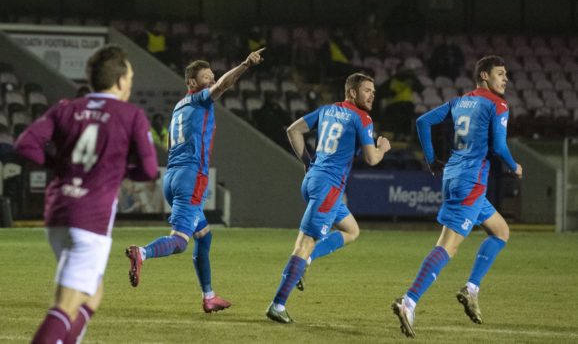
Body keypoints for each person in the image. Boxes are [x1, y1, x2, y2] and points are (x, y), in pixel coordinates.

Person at [14, 44, 158, 344]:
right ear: (120, 81)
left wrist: (62, 164)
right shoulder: (130, 115)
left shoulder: (68, 107)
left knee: (92, 294)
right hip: (89, 219)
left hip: (56, 214)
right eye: (129, 77)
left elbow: (25, 145)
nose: (130, 83)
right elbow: (148, 169)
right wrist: (115, 170)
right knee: (65, 305)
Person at [125, 48, 265, 313]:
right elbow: (226, 83)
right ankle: (141, 253)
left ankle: (209, 297)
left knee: (204, 235)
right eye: (206, 77)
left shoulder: (179, 107)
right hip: (191, 177)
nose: (212, 80)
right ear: (192, 83)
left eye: (212, 75)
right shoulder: (201, 99)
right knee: (180, 241)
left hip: (172, 176)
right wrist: (246, 64)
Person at [391, 55, 523, 338]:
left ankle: (471, 288)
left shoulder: (459, 102)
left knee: (500, 231)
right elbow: (499, 147)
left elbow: (423, 122)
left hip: (454, 175)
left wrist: (431, 159)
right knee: (448, 246)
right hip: (471, 182)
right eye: (500, 73)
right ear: (484, 76)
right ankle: (408, 301)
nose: (506, 78)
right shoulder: (497, 104)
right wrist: (515, 166)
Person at [266, 73, 391, 324]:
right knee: (303, 243)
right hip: (329, 188)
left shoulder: (327, 110)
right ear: (352, 93)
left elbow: (294, 130)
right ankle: (278, 304)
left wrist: (307, 162)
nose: (371, 95)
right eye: (367, 90)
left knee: (351, 229)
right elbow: (371, 159)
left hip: (313, 181)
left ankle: (306, 262)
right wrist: (383, 148)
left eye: (373, 92)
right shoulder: (362, 118)